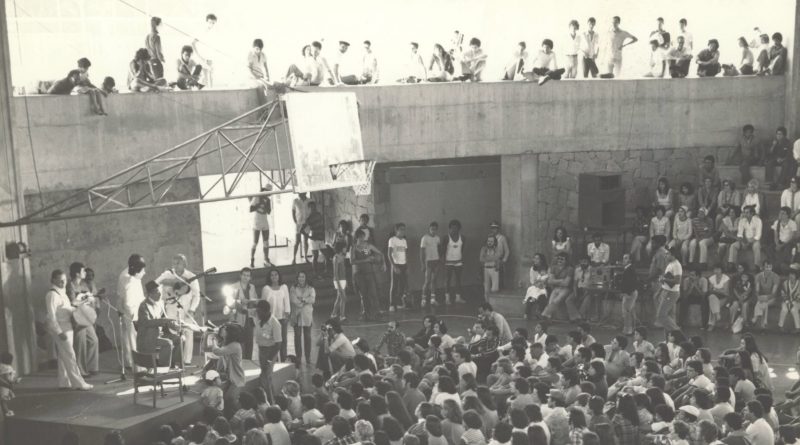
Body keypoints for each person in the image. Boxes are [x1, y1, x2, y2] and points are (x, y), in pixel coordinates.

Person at [45, 269, 92, 390]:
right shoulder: (51, 295)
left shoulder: (62, 292)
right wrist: (59, 332)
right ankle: (79, 383)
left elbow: (67, 308)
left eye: (65, 280)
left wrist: (80, 304)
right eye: (60, 280)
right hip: (61, 328)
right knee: (70, 355)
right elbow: (51, 317)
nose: (63, 282)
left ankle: (64, 382)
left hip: (68, 326)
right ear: (53, 280)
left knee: (63, 355)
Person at [156, 254, 201, 367]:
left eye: (178, 263)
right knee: (174, 334)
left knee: (188, 333)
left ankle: (187, 360)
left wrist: (192, 309)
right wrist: (169, 282)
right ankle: (175, 361)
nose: (175, 265)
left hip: (186, 309)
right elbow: (156, 283)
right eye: (174, 263)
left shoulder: (191, 276)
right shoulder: (168, 274)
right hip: (171, 307)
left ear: (184, 264)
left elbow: (197, 296)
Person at [65, 262, 99, 377]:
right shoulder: (70, 285)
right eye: (83, 271)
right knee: (80, 344)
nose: (85, 273)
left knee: (94, 340)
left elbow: (89, 298)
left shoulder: (83, 285)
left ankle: (91, 367)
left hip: (86, 315)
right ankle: (81, 371)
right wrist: (85, 299)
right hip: (77, 317)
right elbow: (73, 302)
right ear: (77, 273)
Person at [137, 280, 182, 368]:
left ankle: (172, 363)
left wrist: (174, 326)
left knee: (179, 339)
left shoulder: (160, 303)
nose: (160, 294)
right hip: (147, 337)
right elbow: (146, 323)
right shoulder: (143, 306)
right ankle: (162, 367)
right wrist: (164, 320)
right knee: (168, 343)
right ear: (150, 294)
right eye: (157, 292)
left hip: (158, 334)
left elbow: (165, 320)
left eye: (160, 291)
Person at [118, 254, 146, 371]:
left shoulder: (132, 275)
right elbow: (129, 302)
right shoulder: (128, 279)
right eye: (143, 270)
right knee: (134, 339)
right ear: (137, 270)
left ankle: (131, 363)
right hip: (132, 314)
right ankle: (138, 368)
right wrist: (135, 319)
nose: (144, 273)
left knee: (130, 338)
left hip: (132, 311)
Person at [351, 228, 385, 320]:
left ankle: (377, 311)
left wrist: (376, 260)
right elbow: (352, 261)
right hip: (359, 274)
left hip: (369, 272)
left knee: (373, 293)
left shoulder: (365, 247)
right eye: (360, 238)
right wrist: (365, 259)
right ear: (356, 238)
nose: (362, 239)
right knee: (363, 294)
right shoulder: (354, 248)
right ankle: (365, 313)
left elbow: (375, 255)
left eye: (363, 237)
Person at [254, 300, 281, 404]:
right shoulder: (259, 318)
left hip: (270, 351)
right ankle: (265, 399)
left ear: (266, 312)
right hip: (262, 350)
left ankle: (272, 402)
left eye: (259, 312)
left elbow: (278, 344)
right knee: (264, 375)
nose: (257, 314)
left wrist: (269, 360)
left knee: (266, 378)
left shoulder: (275, 323)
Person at [227, 267, 257, 360]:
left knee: (249, 344)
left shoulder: (252, 287)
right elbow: (229, 302)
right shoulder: (233, 287)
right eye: (244, 275)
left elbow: (255, 300)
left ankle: (248, 362)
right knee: (240, 344)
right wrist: (240, 301)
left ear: (250, 277)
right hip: (238, 318)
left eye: (248, 275)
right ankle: (240, 364)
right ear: (240, 275)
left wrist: (253, 302)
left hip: (250, 318)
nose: (245, 277)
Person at [262, 268, 290, 361]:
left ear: (279, 276)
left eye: (276, 274)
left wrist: (287, 313)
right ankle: (275, 362)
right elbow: (263, 304)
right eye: (272, 275)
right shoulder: (266, 289)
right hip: (271, 320)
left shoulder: (284, 287)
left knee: (283, 341)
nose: (274, 277)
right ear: (269, 277)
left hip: (282, 318)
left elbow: (287, 301)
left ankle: (284, 361)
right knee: (274, 342)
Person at [290, 271, 315, 366]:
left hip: (307, 315)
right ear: (297, 278)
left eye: (303, 276)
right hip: (296, 315)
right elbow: (293, 300)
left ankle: (308, 357)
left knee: (307, 337)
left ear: (306, 278)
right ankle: (298, 358)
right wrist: (305, 301)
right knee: (297, 337)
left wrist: (303, 299)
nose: (301, 278)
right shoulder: (293, 288)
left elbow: (312, 299)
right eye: (299, 277)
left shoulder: (311, 288)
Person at [655, 247, 682, 331]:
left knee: (661, 315)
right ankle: (669, 337)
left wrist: (664, 279)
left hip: (671, 293)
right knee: (668, 316)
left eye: (668, 254)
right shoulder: (670, 264)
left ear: (673, 255)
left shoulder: (676, 265)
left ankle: (676, 331)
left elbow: (678, 280)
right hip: (666, 291)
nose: (666, 255)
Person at [444, 220, 467, 305]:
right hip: (448, 262)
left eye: (456, 228)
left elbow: (462, 249)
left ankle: (458, 298)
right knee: (447, 280)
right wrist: (444, 261)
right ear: (449, 229)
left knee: (458, 280)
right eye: (452, 228)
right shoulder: (446, 238)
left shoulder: (463, 238)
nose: (454, 230)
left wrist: (460, 258)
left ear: (459, 229)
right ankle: (447, 299)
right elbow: (443, 250)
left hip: (458, 262)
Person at [192, 14, 218, 88]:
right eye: (210, 22)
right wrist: (199, 56)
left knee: (211, 78)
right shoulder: (201, 31)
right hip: (202, 58)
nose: (211, 25)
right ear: (206, 22)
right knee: (205, 78)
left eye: (213, 23)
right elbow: (193, 43)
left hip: (210, 58)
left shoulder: (214, 33)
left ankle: (211, 93)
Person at [249, 186, 272, 268]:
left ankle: (266, 259)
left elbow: (269, 211)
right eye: (268, 192)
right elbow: (250, 209)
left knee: (266, 242)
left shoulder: (268, 200)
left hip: (264, 221)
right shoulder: (256, 197)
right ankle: (252, 259)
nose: (269, 194)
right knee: (255, 242)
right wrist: (259, 204)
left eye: (269, 193)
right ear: (264, 191)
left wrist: (265, 205)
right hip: (257, 222)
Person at [420, 222, 442, 308]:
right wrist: (422, 264)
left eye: (435, 229)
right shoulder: (424, 238)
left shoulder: (437, 238)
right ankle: (423, 300)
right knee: (427, 281)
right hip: (428, 261)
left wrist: (439, 259)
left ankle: (433, 299)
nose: (433, 231)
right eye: (432, 229)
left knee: (434, 280)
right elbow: (421, 252)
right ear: (429, 229)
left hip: (436, 261)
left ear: (437, 229)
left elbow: (439, 249)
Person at [388, 223, 409, 312]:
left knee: (403, 285)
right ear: (396, 230)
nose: (403, 231)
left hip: (404, 265)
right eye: (401, 229)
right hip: (396, 265)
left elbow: (406, 253)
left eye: (404, 229)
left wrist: (407, 265)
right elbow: (389, 254)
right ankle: (392, 304)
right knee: (394, 285)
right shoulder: (392, 240)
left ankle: (400, 303)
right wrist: (394, 266)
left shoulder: (404, 240)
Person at [752, 261, 779, 329]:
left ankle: (755, 318)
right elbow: (757, 290)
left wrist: (765, 297)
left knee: (764, 303)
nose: (768, 269)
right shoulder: (758, 276)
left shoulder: (776, 276)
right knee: (763, 304)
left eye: (770, 267)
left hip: (772, 298)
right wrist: (759, 297)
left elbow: (773, 293)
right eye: (766, 267)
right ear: (763, 267)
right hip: (761, 297)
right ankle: (763, 325)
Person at [619, 253, 639, 335]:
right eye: (623, 258)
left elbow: (631, 282)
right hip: (630, 292)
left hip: (630, 293)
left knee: (627, 312)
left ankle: (629, 330)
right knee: (631, 311)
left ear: (630, 260)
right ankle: (632, 328)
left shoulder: (630, 269)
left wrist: (626, 293)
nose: (624, 260)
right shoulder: (628, 269)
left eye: (626, 258)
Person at [304, 201, 326, 276]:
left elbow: (322, 226)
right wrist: (309, 236)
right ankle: (315, 272)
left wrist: (323, 235)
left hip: (321, 238)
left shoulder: (319, 215)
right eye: (311, 207)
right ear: (309, 208)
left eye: (314, 206)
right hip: (314, 239)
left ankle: (325, 271)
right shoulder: (308, 219)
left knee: (326, 254)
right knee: (315, 256)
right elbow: (303, 230)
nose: (313, 208)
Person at [779, 266, 800, 332]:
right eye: (790, 274)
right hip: (786, 301)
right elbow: (783, 294)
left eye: (793, 274)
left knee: (794, 310)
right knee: (784, 309)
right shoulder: (785, 283)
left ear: (796, 275)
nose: (791, 276)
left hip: (797, 302)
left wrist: (793, 302)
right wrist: (787, 302)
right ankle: (780, 326)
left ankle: (797, 328)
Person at [330, 242, 348, 321]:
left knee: (339, 298)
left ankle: (333, 314)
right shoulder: (336, 258)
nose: (345, 249)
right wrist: (339, 285)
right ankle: (342, 316)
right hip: (338, 280)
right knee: (343, 298)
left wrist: (345, 281)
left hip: (342, 280)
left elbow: (343, 270)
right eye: (344, 247)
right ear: (341, 248)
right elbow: (336, 273)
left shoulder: (342, 257)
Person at [292, 193, 311, 264]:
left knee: (305, 241)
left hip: (307, 224)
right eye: (298, 193)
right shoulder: (295, 201)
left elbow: (311, 212)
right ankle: (294, 258)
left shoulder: (309, 200)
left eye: (301, 193)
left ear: (305, 193)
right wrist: (295, 221)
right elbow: (293, 211)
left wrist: (309, 222)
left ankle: (305, 257)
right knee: (297, 241)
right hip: (298, 223)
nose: (299, 194)